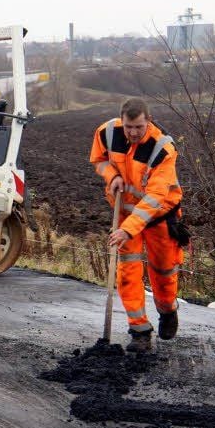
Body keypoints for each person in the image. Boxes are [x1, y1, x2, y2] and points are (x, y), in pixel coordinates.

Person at [90, 98, 184, 353]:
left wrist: (128, 229)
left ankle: (168, 310)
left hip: (160, 218)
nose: (133, 133)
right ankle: (140, 331)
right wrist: (113, 175)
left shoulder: (162, 149)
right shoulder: (107, 132)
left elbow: (154, 199)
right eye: (129, 126)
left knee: (163, 273)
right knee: (128, 274)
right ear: (122, 121)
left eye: (139, 127)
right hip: (123, 215)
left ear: (148, 122)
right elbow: (98, 160)